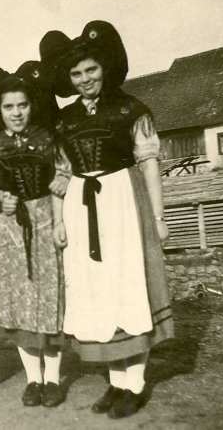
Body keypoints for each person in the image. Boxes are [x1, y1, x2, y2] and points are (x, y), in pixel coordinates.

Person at [53, 21, 175, 419]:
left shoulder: (130, 109)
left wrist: (158, 216)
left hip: (123, 203)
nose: (85, 78)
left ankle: (134, 384)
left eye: (91, 69)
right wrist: (59, 219)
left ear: (104, 68)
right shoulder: (66, 119)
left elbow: (149, 163)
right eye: (76, 73)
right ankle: (116, 381)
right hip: (81, 207)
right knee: (99, 290)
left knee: (127, 286)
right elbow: (62, 173)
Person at [0, 75, 68, 408]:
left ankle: (53, 378)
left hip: (44, 221)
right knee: (18, 301)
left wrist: (62, 189)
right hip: (9, 229)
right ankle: (33, 379)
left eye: (22, 105)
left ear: (32, 106)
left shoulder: (48, 141)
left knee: (49, 298)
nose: (16, 113)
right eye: (9, 106)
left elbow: (65, 175)